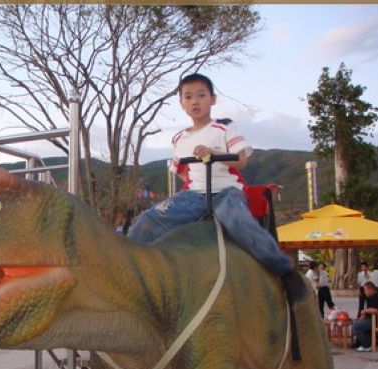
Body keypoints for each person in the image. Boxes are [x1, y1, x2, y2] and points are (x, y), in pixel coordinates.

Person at [127, 73, 306, 306]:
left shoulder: (224, 127)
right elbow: (180, 170)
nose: (195, 101)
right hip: (194, 194)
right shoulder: (179, 138)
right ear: (181, 103)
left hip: (226, 190)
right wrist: (192, 183)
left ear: (213, 99)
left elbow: (241, 160)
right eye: (188, 97)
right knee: (147, 220)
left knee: (238, 221)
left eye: (201, 95)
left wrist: (214, 153)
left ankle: (285, 272)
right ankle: (130, 272)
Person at [352, 282, 378, 352]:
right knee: (358, 323)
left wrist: (364, 311)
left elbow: (375, 310)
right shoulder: (374, 296)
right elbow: (372, 309)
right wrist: (364, 315)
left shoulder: (376, 297)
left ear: (370, 289)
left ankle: (366, 345)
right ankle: (370, 342)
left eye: (365, 290)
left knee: (356, 326)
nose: (364, 292)